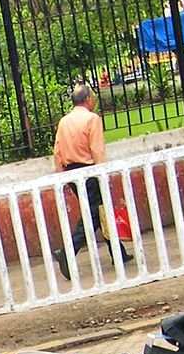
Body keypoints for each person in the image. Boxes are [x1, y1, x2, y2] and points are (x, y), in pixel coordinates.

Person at [51, 83, 131, 281]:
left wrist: (62, 176)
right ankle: (68, 250)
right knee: (95, 214)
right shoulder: (92, 119)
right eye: (93, 97)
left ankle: (118, 253)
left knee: (100, 210)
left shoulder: (64, 121)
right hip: (89, 171)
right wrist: (102, 173)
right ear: (88, 99)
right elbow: (97, 149)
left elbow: (57, 151)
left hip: (71, 172)